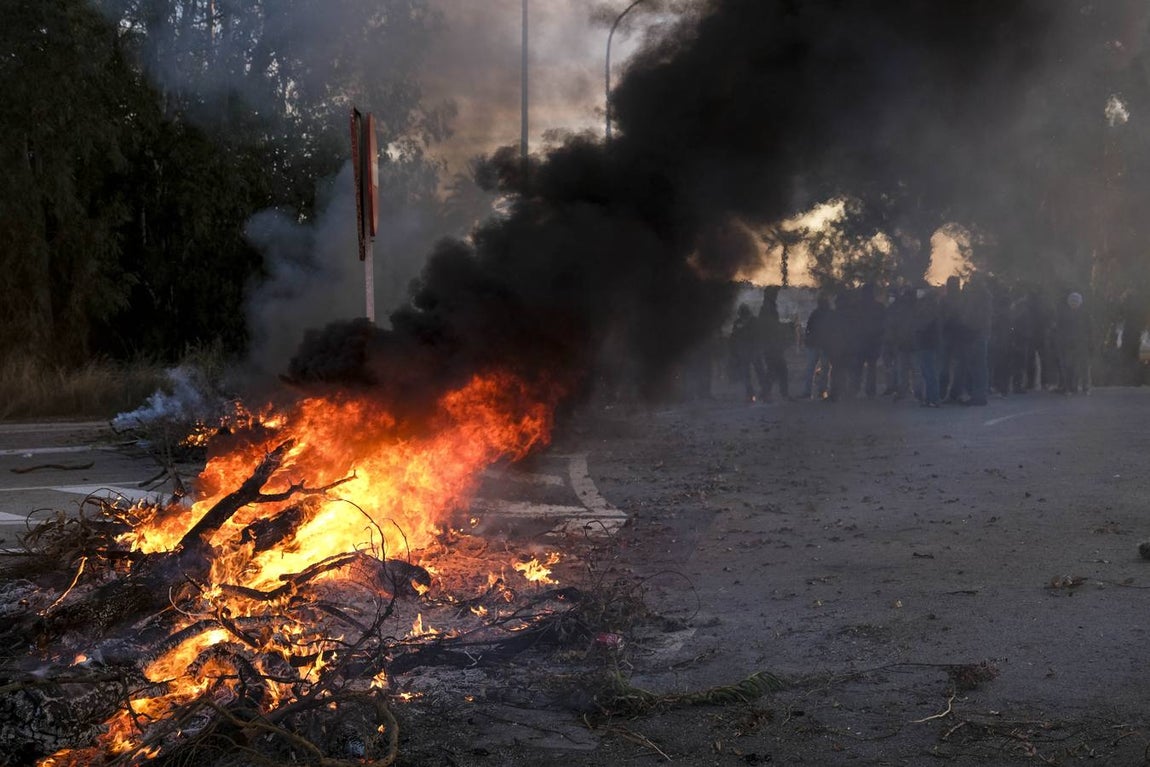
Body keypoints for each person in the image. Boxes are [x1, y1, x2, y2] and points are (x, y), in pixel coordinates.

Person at [729, 304, 767, 402]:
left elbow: (734, 338)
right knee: (752, 374)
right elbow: (734, 338)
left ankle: (760, 393)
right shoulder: (751, 322)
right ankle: (757, 393)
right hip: (747, 351)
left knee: (754, 373)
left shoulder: (750, 322)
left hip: (751, 351)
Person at [759, 287, 790, 401]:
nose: (776, 295)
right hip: (771, 345)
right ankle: (773, 393)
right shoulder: (768, 308)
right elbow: (770, 327)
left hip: (771, 344)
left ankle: (767, 393)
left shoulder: (768, 307)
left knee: (775, 370)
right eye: (775, 294)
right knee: (778, 370)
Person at [799, 294, 832, 400]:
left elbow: (808, 328)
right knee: (824, 368)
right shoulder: (828, 314)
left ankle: (808, 392)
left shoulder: (815, 313)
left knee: (811, 368)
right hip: (823, 345)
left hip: (815, 344)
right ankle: (822, 390)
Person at [1057, 291, 1091, 393]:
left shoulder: (1084, 314)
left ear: (1079, 303)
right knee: (1069, 366)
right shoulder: (1064, 314)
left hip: (1081, 343)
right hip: (1069, 343)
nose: (1074, 304)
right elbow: (1060, 329)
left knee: (1083, 366)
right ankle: (1069, 386)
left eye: (1076, 302)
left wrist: (1089, 341)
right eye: (1072, 302)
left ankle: (1085, 387)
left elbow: (1089, 329)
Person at [914, 287, 943, 407]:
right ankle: (932, 398)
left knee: (929, 372)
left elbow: (922, 325)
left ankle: (933, 398)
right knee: (929, 371)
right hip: (930, 343)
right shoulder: (934, 307)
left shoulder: (927, 308)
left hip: (926, 343)